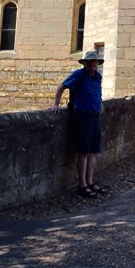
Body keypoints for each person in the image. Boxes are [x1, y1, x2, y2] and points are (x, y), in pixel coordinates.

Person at [49, 50, 104, 198]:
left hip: (94, 117)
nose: (93, 64)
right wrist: (55, 104)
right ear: (85, 63)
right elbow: (62, 86)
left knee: (93, 151)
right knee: (84, 152)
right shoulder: (79, 75)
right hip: (82, 117)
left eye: (95, 62)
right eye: (90, 62)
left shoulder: (97, 77)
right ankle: (82, 185)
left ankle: (91, 182)